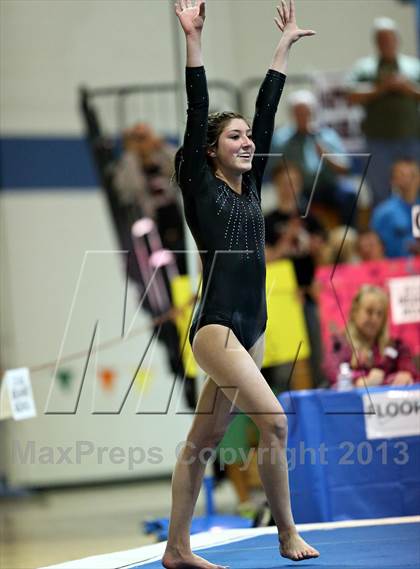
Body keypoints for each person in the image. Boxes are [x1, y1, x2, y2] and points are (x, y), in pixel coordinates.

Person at [163, 1, 320, 567]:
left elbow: (268, 108)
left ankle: (177, 550)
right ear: (211, 151)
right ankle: (286, 534)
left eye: (249, 136)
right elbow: (197, 105)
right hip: (217, 328)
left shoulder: (252, 189)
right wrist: (194, 40)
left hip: (252, 329)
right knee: (274, 423)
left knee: (200, 445)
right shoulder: (200, 188)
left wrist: (282, 49)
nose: (248, 141)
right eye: (235, 137)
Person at [265, 161, 327, 387]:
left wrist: (317, 249)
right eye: (284, 183)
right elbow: (264, 260)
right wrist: (286, 239)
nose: (289, 187)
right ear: (276, 185)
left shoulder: (312, 219)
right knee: (284, 368)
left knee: (318, 359)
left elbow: (327, 259)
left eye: (295, 183)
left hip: (310, 295)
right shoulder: (267, 221)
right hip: (282, 300)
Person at [347, 17, 420, 207]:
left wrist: (408, 88)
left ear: (397, 40)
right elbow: (351, 95)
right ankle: (383, 236)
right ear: (376, 43)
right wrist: (381, 87)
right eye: (382, 39)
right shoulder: (365, 67)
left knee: (415, 192)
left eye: (390, 38)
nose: (386, 43)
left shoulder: (413, 66)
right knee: (380, 193)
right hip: (377, 142)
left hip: (412, 140)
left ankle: (416, 233)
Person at [269, 89, 355, 226]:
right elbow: (274, 170)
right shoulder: (281, 140)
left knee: (349, 193)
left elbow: (346, 168)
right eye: (299, 114)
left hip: (328, 185)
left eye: (306, 113)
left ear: (313, 113)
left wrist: (327, 156)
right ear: (292, 115)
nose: (303, 117)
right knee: (293, 201)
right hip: (300, 189)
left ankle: (348, 234)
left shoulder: (327, 135)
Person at [113, 122, 187, 274]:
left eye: (145, 136)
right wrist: (131, 153)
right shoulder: (129, 163)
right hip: (152, 221)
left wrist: (161, 146)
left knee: (183, 260)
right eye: (138, 138)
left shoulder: (161, 155)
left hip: (175, 215)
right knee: (162, 266)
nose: (142, 142)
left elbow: (182, 166)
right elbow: (129, 188)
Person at [324, 284, 418, 388]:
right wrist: (358, 381)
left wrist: (407, 374)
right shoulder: (339, 344)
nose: (375, 319)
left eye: (380, 314)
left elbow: (409, 368)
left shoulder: (395, 345)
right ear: (355, 312)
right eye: (369, 312)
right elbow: (334, 376)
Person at [370, 158, 420, 258]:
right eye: (402, 175)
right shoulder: (383, 212)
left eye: (412, 175)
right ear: (393, 180)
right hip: (394, 269)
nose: (408, 180)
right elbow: (374, 248)